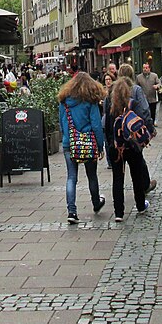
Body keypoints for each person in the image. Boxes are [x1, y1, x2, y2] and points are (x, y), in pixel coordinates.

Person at [58, 71, 107, 224]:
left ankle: (71, 211)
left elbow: (61, 123)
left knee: (71, 177)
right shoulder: (90, 102)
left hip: (69, 143)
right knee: (91, 175)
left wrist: (67, 137)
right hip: (88, 143)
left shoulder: (64, 102)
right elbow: (97, 125)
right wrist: (100, 146)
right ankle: (96, 203)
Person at [104, 77, 150, 221]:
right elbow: (141, 121)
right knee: (136, 176)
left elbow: (106, 125)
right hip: (132, 146)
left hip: (116, 147)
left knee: (117, 179)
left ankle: (119, 213)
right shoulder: (133, 103)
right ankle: (141, 205)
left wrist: (110, 142)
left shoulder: (109, 105)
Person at [114, 64, 156, 192]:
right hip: (134, 130)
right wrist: (149, 127)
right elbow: (144, 109)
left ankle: (120, 201)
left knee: (119, 169)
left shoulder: (114, 90)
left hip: (119, 132)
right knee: (138, 158)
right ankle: (144, 185)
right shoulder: (136, 89)